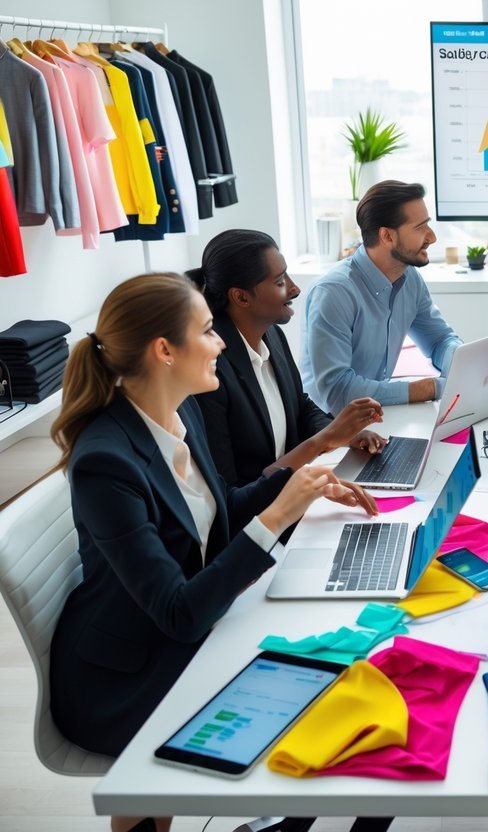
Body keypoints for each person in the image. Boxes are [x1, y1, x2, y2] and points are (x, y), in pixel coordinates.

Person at [47, 273, 375, 832]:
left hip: (186, 632)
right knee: (333, 696)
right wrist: (277, 517)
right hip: (125, 677)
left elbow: (219, 511)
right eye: (207, 330)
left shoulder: (182, 411)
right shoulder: (106, 462)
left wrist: (304, 484)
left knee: (344, 668)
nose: (221, 340)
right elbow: (180, 613)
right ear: (164, 350)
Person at [189, 229, 387, 486]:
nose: (295, 288)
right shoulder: (211, 371)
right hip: (264, 507)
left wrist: (347, 435)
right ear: (241, 297)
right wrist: (325, 438)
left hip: (293, 490)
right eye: (280, 281)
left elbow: (300, 407)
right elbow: (230, 492)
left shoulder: (272, 335)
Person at [301, 180, 461, 414]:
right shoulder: (333, 293)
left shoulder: (409, 278)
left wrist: (463, 362)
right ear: (386, 236)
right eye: (420, 227)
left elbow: (439, 340)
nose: (432, 237)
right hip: (330, 425)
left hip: (378, 415)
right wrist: (430, 388)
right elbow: (338, 391)